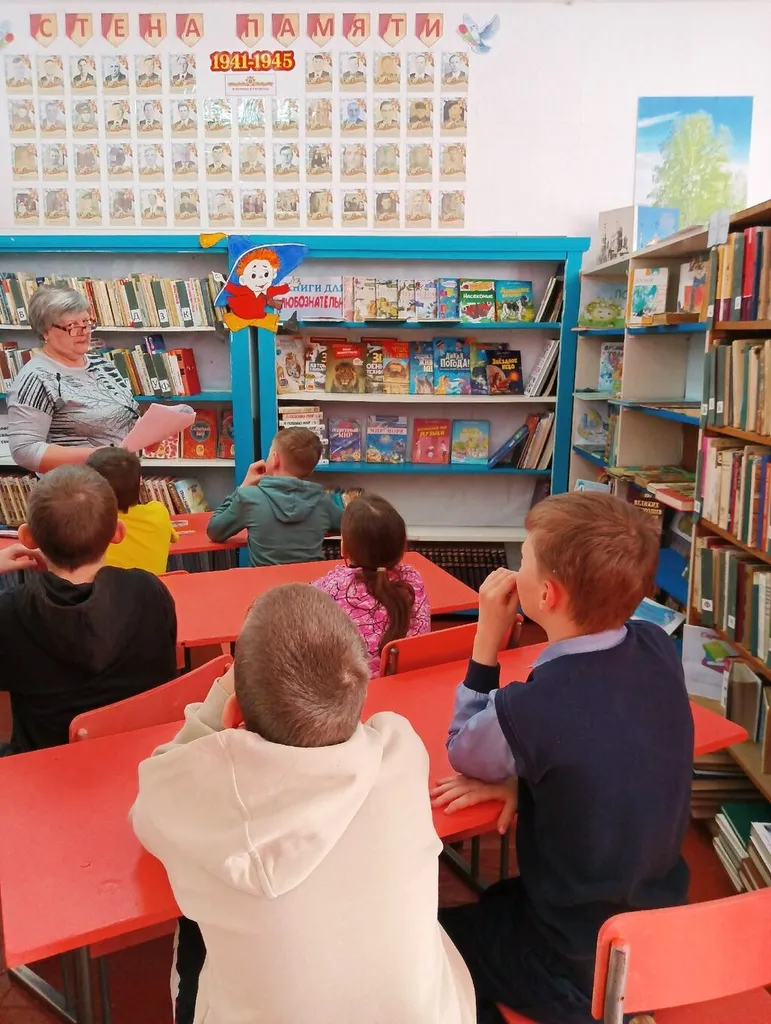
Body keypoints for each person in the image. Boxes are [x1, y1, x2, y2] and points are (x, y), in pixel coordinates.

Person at [131, 583, 475, 1024]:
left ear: (233, 716)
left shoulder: (199, 798)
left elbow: (155, 792)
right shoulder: (402, 750)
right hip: (435, 1014)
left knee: (191, 926)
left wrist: (226, 690)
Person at [431, 492, 693, 1024]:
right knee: (498, 904)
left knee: (429, 946)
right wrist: (526, 781)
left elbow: (463, 750)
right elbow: (610, 744)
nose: (515, 567)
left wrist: (487, 637)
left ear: (546, 594)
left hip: (573, 959)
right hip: (657, 928)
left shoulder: (532, 709)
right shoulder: (656, 647)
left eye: (523, 558)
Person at [0, 465, 177, 755]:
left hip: (46, 766)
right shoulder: (150, 591)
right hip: (143, 758)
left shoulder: (10, 612)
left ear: (27, 538)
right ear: (118, 532)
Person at [7, 287, 139, 473]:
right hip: (76, 486)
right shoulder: (36, 378)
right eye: (72, 326)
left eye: (86, 322)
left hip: (120, 480)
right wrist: (97, 457)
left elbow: (125, 416)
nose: (84, 331)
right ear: (45, 332)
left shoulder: (103, 365)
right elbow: (24, 451)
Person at [312, 493, 429, 677]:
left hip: (352, 691)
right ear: (402, 547)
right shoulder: (413, 580)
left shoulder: (330, 587)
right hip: (409, 683)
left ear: (343, 548)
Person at [207, 427, 342, 566]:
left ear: (275, 459)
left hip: (263, 580)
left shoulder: (249, 497)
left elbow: (215, 531)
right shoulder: (323, 501)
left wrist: (244, 486)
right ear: (311, 469)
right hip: (311, 580)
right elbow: (348, 526)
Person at [86, 448, 177, 575]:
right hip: (152, 587)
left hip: (103, 588)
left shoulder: (86, 525)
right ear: (140, 481)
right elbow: (174, 538)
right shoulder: (159, 512)